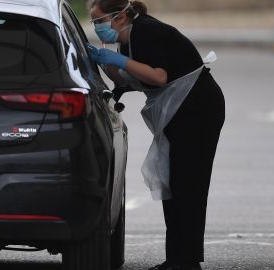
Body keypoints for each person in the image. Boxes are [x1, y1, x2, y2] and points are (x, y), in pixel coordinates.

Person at [88, 1, 225, 270]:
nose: (97, 27)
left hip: (198, 110)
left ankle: (187, 261)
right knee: (173, 183)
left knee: (189, 186)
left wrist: (119, 60)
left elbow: (158, 77)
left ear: (121, 15)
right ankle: (176, 259)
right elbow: (129, 79)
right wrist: (105, 63)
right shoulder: (127, 39)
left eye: (99, 20)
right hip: (179, 110)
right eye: (93, 21)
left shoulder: (144, 32)